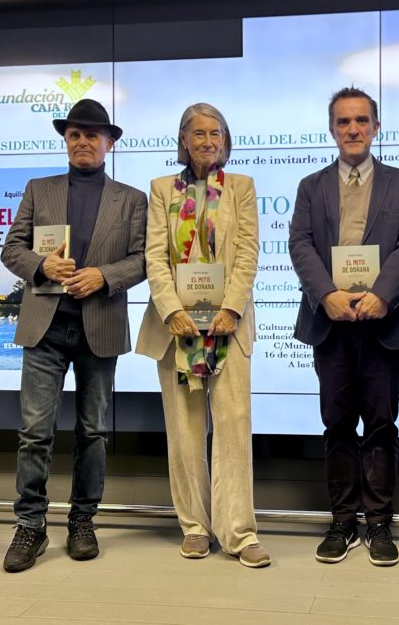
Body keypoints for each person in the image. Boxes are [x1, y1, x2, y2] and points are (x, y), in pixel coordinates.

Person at [0, 98, 148, 573]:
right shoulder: (38, 189)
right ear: (66, 140)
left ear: (110, 142)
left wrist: (103, 276)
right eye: (74, 134)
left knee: (93, 432)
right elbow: (11, 249)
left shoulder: (132, 199)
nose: (82, 141)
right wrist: (41, 264)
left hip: (99, 326)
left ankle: (83, 521)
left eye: (92, 134)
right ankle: (30, 526)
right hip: (45, 326)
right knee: (34, 433)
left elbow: (145, 260)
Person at [289, 87, 399, 566]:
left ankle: (379, 523)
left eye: (362, 121)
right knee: (337, 423)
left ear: (376, 127)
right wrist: (325, 294)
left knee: (382, 425)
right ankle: (343, 521)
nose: (353, 130)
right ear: (332, 129)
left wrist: (381, 295)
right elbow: (300, 244)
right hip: (331, 322)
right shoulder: (311, 186)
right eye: (344, 122)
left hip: (384, 321)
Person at [135, 103, 269, 568]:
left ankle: (240, 532)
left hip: (230, 328)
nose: (207, 140)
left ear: (225, 140)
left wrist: (232, 307)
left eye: (215, 133)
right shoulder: (159, 190)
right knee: (185, 432)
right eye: (198, 133)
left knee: (232, 429)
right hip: (177, 330)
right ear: (184, 140)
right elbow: (154, 256)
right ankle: (194, 527)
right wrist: (171, 311)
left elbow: (249, 250)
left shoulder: (242, 188)